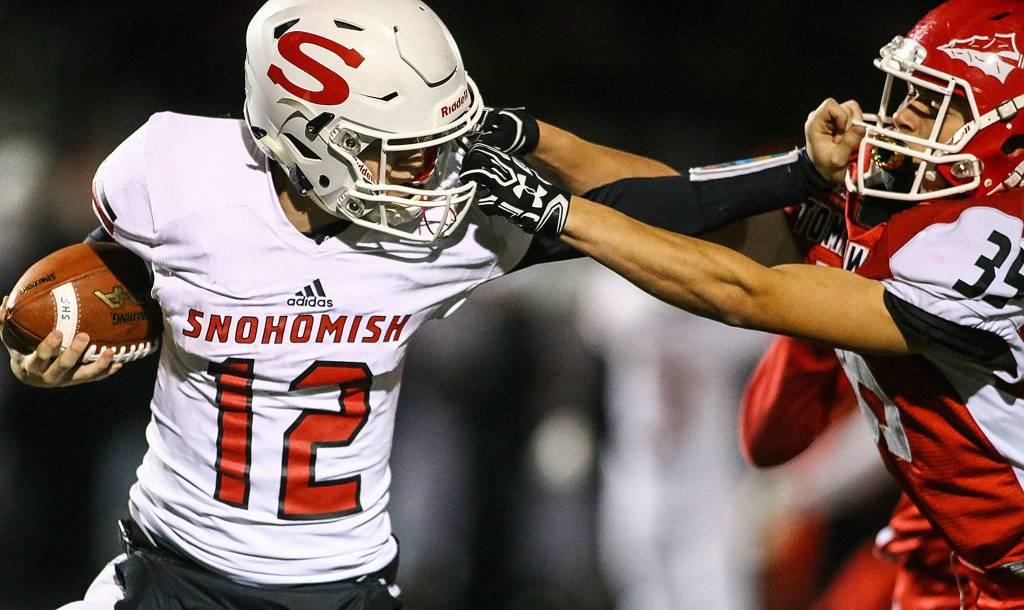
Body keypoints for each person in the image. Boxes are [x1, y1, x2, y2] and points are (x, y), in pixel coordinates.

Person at [0, 1, 842, 607]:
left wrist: (792, 175)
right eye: (389, 150)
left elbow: (652, 208)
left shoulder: (445, 222)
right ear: (300, 133)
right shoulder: (169, 171)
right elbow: (126, 277)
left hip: (345, 585)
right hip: (171, 575)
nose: (425, 174)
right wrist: (57, 350)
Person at [462, 0, 1024, 605]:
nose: (905, 116)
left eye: (941, 104)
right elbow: (690, 207)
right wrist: (538, 140)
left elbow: (745, 290)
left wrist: (560, 216)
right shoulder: (892, 200)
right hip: (977, 553)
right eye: (911, 92)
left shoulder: (988, 242)